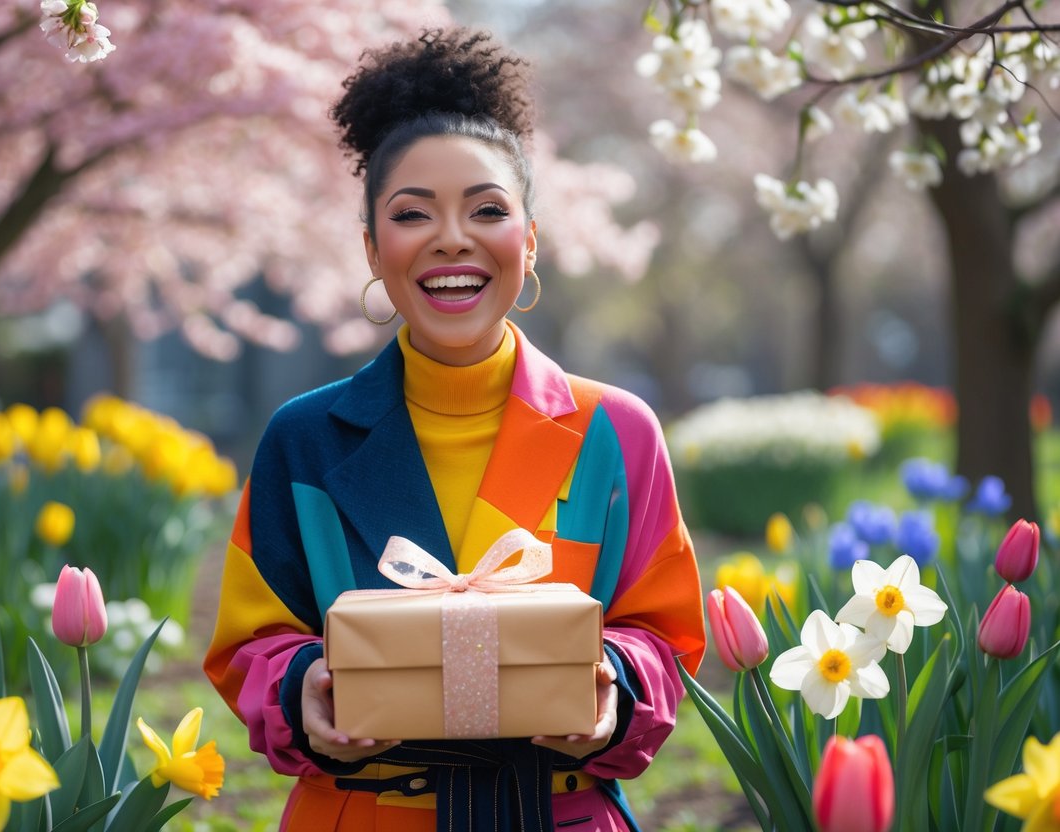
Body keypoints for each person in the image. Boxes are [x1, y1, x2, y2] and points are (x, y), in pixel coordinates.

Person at [205, 27, 705, 831]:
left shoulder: (617, 433)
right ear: (373, 248)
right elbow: (248, 645)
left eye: (487, 209)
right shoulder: (303, 439)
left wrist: (613, 684)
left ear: (529, 240)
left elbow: (665, 636)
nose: (451, 238)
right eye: (412, 214)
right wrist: (303, 690)